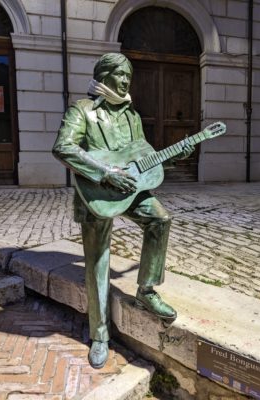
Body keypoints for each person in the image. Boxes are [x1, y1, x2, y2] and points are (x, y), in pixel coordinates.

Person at [52, 53, 194, 369]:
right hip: (95, 194)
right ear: (104, 75)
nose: (126, 80)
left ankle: (146, 289)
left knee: (160, 218)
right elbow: (63, 147)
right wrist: (104, 173)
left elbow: (142, 158)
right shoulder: (82, 110)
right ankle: (100, 335)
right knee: (98, 260)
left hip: (131, 190)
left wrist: (172, 157)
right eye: (120, 73)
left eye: (129, 74)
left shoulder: (132, 116)